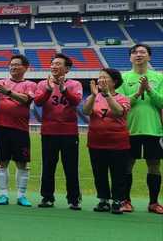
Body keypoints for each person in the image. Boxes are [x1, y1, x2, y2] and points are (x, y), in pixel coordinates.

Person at [116, 44, 163, 214]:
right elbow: (120, 103)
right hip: (128, 130)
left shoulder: (159, 78)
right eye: (135, 52)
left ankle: (154, 203)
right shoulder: (123, 78)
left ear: (149, 57)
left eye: (143, 52)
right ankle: (126, 201)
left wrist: (149, 90)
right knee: (127, 165)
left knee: (154, 165)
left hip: (153, 129)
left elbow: (162, 102)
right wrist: (138, 92)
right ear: (130, 57)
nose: (138, 54)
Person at [34, 53, 83, 210]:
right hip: (49, 132)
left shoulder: (75, 84)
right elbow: (38, 102)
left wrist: (63, 90)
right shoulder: (42, 84)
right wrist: (49, 90)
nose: (54, 66)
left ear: (67, 68)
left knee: (71, 166)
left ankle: (74, 199)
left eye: (58, 64)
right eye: (52, 63)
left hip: (69, 132)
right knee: (48, 166)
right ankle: (47, 197)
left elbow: (76, 101)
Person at [0, 55, 37, 206]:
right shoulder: (1, 82)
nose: (13, 67)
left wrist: (7, 92)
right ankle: (3, 194)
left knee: (22, 163)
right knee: (2, 162)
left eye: (17, 65)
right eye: (11, 65)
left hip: (20, 129)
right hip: (2, 128)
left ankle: (21, 195)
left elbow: (26, 100)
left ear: (25, 67)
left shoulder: (30, 84)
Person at [83, 68, 130, 214]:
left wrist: (107, 95)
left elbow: (118, 112)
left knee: (118, 174)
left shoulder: (123, 98)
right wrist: (92, 95)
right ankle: (103, 200)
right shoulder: (94, 97)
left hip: (118, 143)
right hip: (96, 142)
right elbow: (85, 111)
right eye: (99, 78)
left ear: (114, 82)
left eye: (105, 78)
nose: (100, 80)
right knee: (99, 173)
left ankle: (117, 201)